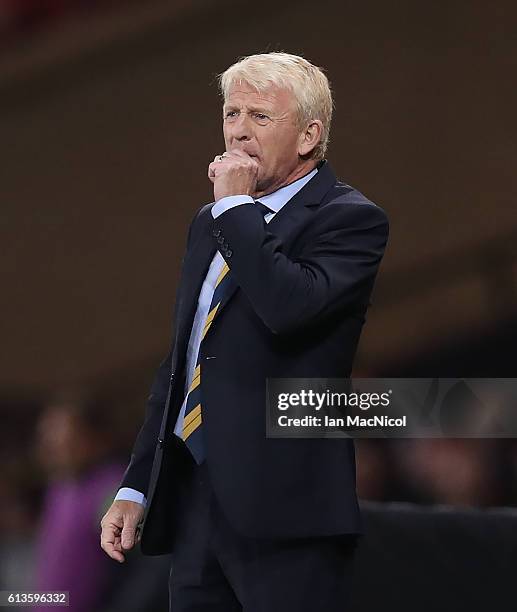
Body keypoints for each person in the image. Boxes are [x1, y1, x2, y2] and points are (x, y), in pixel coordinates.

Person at [100, 52, 389, 611]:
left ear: (309, 136)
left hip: (285, 513)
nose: (237, 130)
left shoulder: (349, 218)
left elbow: (287, 307)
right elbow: (183, 362)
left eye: (260, 116)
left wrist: (234, 207)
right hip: (194, 501)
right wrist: (139, 484)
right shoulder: (210, 225)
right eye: (231, 114)